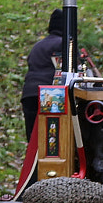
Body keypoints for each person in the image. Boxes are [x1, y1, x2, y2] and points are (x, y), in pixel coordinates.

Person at [21, 9, 67, 141]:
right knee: (52, 142)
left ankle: (34, 162)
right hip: (50, 94)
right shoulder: (64, 45)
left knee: (33, 140)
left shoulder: (38, 45)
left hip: (29, 94)